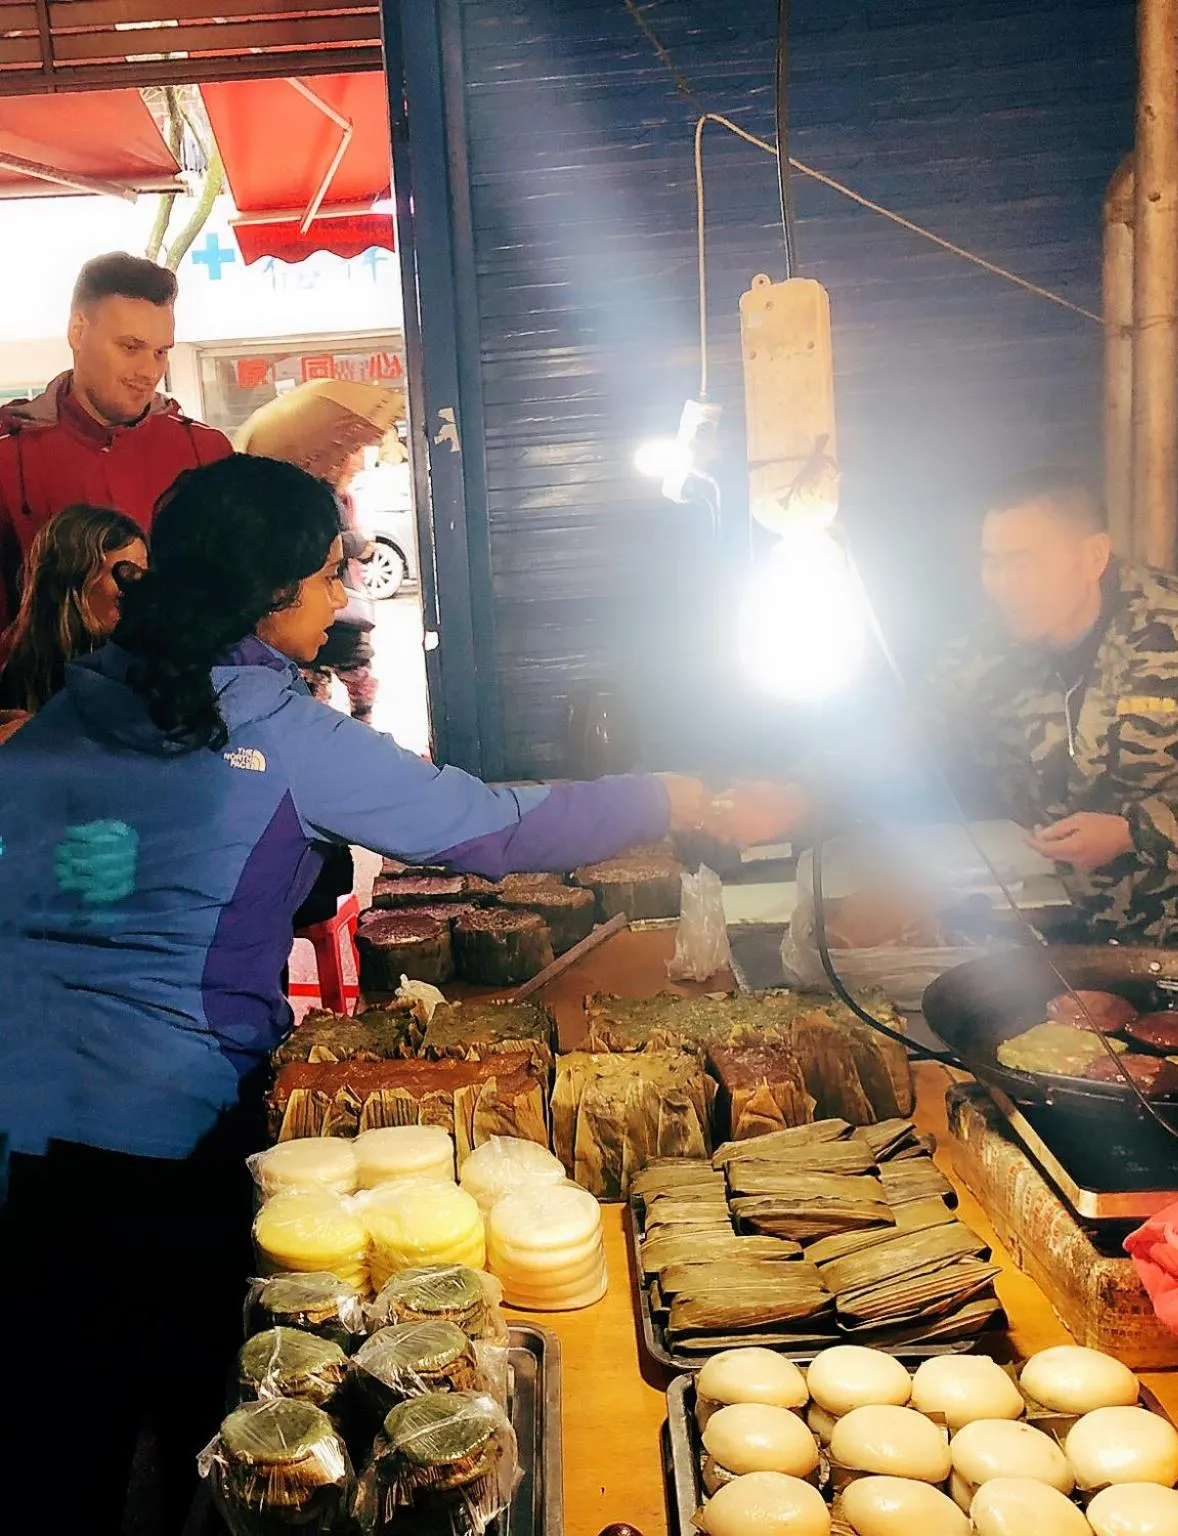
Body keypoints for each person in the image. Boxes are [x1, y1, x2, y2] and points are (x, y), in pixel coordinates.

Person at [0, 453, 784, 1531]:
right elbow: (484, 823)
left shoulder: (73, 709)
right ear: (260, 591)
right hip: (157, 1133)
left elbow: (89, 877)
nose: (343, 597)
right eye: (328, 573)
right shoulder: (268, 732)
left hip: (24, 1129)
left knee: (57, 1424)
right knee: (203, 1427)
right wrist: (667, 794)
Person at [922, 468, 1178, 955]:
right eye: (992, 563)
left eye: (1024, 561)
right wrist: (816, 787)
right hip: (1064, 922)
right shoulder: (987, 645)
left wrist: (1132, 832)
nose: (1004, 585)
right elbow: (914, 725)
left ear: (1093, 556)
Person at [0, 252, 230, 644]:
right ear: (77, 330)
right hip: (46, 695)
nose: (149, 371)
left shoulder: (206, 451)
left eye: (160, 352)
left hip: (181, 690)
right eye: (130, 347)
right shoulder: (10, 456)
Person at [234, 381, 402, 723]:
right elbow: (327, 544)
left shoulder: (336, 495)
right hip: (321, 620)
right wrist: (359, 544)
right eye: (347, 449)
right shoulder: (309, 500)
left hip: (331, 618)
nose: (353, 456)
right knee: (317, 698)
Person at [0, 504, 147, 721]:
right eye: (126, 572)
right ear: (73, 584)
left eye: (143, 571)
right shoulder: (17, 680)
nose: (141, 587)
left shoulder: (150, 667)